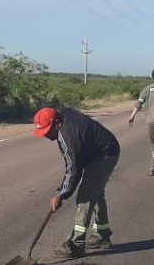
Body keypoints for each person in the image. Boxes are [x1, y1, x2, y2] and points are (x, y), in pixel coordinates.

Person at [33, 106, 121, 257]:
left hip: (105, 155)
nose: (47, 136)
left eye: (48, 132)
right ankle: (102, 234)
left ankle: (76, 244)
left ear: (57, 123)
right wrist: (61, 193)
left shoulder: (68, 136)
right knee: (95, 193)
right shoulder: (63, 119)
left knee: (85, 198)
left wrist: (61, 194)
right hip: (96, 152)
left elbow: (73, 169)